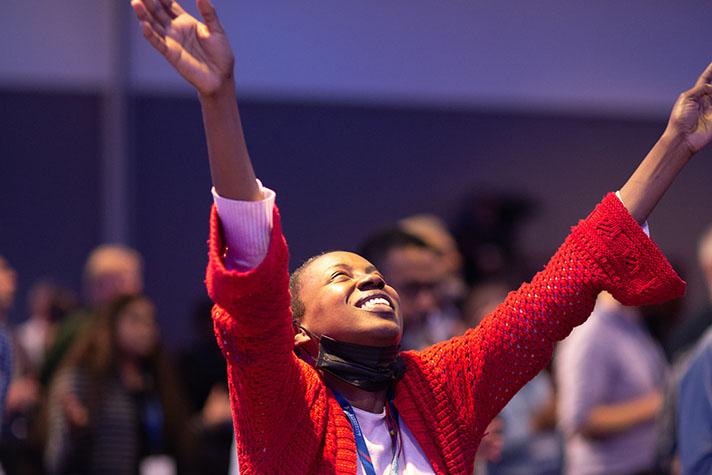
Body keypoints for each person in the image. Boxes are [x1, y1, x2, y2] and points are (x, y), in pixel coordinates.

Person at [130, 0, 711, 472]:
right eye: (344, 276)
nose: (372, 283)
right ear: (299, 328)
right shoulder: (286, 407)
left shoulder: (440, 390)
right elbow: (251, 298)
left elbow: (564, 284)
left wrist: (675, 142)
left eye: (375, 276)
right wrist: (217, 97)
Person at [43, 293, 194, 474]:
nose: (146, 328)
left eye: (150, 320)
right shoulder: (81, 378)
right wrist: (73, 433)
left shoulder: (156, 380)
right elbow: (55, 462)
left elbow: (180, 441)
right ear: (110, 324)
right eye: (136, 320)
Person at [555, 292, 667, 475]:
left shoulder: (629, 321)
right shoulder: (590, 332)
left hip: (645, 464)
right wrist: (654, 406)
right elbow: (580, 421)